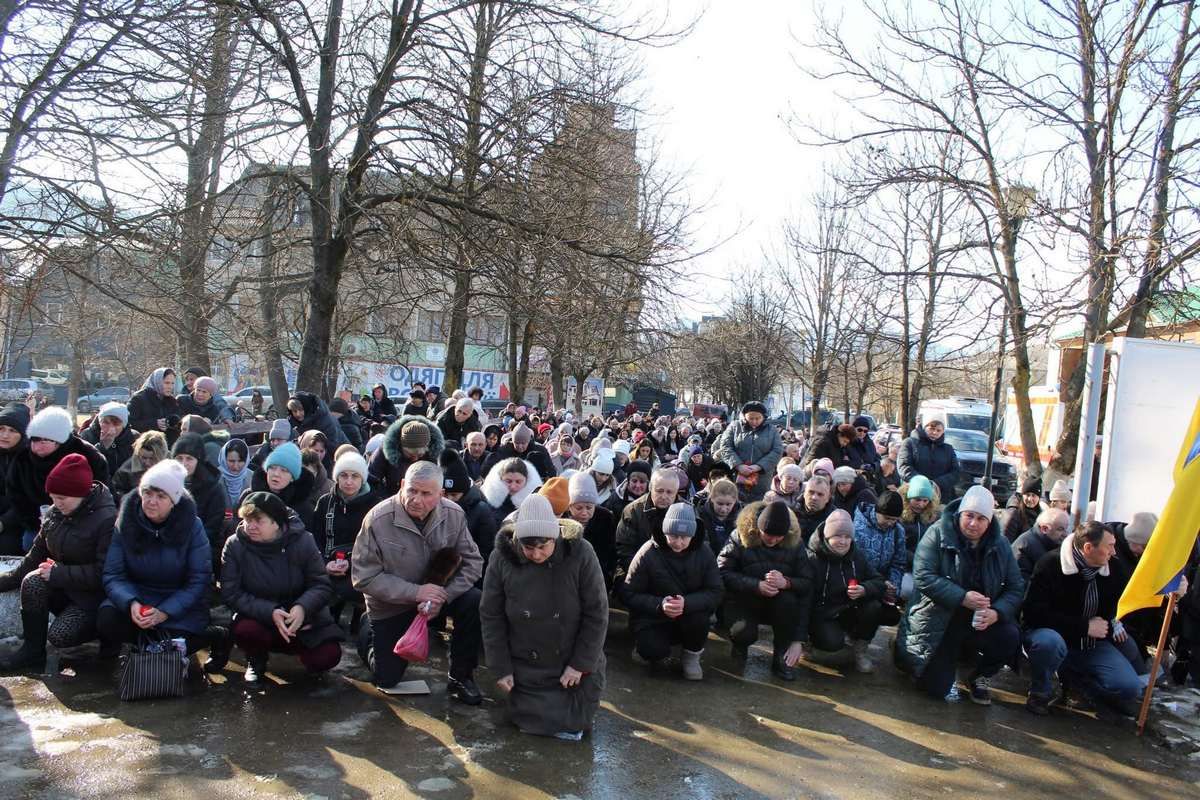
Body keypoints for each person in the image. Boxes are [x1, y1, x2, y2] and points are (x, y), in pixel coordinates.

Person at [353, 461, 485, 703]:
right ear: (402, 485)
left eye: (426, 494)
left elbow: (473, 563)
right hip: (392, 604)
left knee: (473, 600)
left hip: (438, 594)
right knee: (387, 678)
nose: (416, 499)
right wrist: (417, 592)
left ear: (440, 494)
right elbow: (364, 577)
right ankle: (367, 631)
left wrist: (443, 595)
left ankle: (461, 676)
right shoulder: (378, 519)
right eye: (412, 490)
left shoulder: (454, 515)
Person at [481, 493, 608, 738]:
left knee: (573, 723)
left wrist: (580, 665)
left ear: (556, 538)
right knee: (530, 724)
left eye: (543, 547)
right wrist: (501, 667)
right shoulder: (501, 558)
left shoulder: (581, 552)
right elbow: (491, 615)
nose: (537, 555)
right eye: (528, 548)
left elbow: (597, 613)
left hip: (570, 661)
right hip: (527, 663)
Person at [895, 485, 1024, 704]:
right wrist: (962, 597)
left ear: (990, 521)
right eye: (969, 516)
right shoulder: (937, 533)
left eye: (981, 519)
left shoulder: (1000, 544)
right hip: (941, 615)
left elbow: (1015, 586)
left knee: (1010, 636)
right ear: (960, 514)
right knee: (934, 689)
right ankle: (904, 654)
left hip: (980, 618)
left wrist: (997, 612)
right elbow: (923, 576)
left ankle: (978, 675)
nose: (973, 523)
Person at [0, 455, 117, 671]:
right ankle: (32, 652)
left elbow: (105, 573)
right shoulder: (56, 514)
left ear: (80, 493)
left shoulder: (106, 519)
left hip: (93, 599)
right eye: (53, 497)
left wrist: (58, 574)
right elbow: (32, 559)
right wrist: (3, 581)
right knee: (32, 581)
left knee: (60, 636)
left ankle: (107, 637)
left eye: (62, 498)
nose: (56, 503)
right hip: (65, 590)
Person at [214, 491, 344, 682]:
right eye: (247, 520)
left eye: (259, 521)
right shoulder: (235, 545)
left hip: (299, 619)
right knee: (245, 630)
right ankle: (255, 659)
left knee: (328, 655)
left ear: (276, 522)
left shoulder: (303, 541)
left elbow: (321, 584)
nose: (251, 526)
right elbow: (231, 593)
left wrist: (302, 608)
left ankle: (308, 666)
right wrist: (270, 611)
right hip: (260, 617)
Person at [1022, 521, 1142, 716]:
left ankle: (1079, 684)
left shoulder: (1114, 568)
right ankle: (1041, 691)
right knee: (1049, 644)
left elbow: (1128, 600)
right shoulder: (1050, 564)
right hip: (1054, 638)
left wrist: (1115, 622)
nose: (1114, 551)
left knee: (1129, 687)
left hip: (1092, 644)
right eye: (1109, 546)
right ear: (1088, 548)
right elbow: (1033, 614)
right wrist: (1083, 626)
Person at [98, 460, 215, 654]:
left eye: (161, 496)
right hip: (139, 596)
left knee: (175, 641)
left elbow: (199, 580)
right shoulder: (126, 522)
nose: (152, 501)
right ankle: (146, 648)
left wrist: (165, 612)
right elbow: (113, 574)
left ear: (173, 502)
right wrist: (131, 603)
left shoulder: (193, 526)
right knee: (107, 618)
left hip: (177, 602)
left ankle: (205, 638)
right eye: (147, 493)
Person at [621, 502, 723, 680]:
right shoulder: (647, 553)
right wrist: (660, 605)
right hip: (653, 617)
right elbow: (629, 593)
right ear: (665, 531)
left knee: (700, 619)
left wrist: (687, 603)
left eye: (685, 537)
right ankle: (645, 648)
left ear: (693, 535)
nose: (679, 542)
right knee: (653, 650)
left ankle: (691, 656)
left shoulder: (704, 552)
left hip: (689, 614)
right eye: (673, 536)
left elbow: (716, 591)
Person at [718, 500, 812, 680]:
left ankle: (780, 655)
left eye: (779, 537)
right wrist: (755, 585)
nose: (773, 540)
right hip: (744, 599)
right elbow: (721, 572)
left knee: (788, 601)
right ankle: (739, 647)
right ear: (757, 529)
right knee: (742, 633)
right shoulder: (739, 537)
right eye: (767, 535)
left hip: (779, 604)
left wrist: (786, 582)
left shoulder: (795, 544)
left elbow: (807, 582)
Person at [7, 407, 110, 551]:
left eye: (45, 441)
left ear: (59, 441)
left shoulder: (88, 455)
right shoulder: (23, 458)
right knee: (29, 543)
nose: (37, 446)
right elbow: (15, 492)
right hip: (37, 522)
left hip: (80, 521)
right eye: (35, 440)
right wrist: (32, 521)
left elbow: (100, 493)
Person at [808, 509, 887, 673]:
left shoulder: (856, 555)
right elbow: (803, 599)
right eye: (837, 536)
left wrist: (864, 589)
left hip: (848, 609)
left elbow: (878, 581)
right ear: (828, 536)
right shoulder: (812, 559)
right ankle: (811, 644)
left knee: (874, 607)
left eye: (847, 537)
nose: (843, 542)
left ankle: (860, 649)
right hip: (823, 614)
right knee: (832, 645)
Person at [310, 451, 379, 633]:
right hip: (328, 565)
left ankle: (360, 618)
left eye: (355, 476)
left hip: (362, 569)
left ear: (362, 478)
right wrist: (325, 565)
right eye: (344, 475)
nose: (349, 481)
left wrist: (351, 563)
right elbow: (315, 539)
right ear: (336, 477)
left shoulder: (375, 505)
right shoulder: (325, 503)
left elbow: (377, 546)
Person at [171, 433, 228, 566]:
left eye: (189, 459)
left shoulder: (213, 488)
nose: (183, 464)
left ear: (199, 460)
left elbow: (212, 527)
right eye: (179, 458)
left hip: (201, 545)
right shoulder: (166, 483)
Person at [441, 449, 497, 573]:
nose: (448, 500)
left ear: (465, 492)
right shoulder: (434, 506)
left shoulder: (482, 511)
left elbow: (486, 553)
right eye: (444, 495)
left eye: (454, 495)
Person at [714, 401, 783, 502]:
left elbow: (777, 451)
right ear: (744, 416)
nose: (754, 421)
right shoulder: (734, 427)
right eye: (751, 418)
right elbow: (725, 447)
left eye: (758, 418)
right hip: (736, 476)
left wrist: (758, 466)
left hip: (762, 479)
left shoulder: (772, 430)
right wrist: (738, 465)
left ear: (763, 417)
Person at [615, 468, 681, 573]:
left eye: (669, 492)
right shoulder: (633, 511)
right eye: (659, 491)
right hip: (640, 570)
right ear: (650, 488)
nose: (664, 496)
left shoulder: (687, 511)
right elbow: (625, 550)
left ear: (676, 492)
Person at [243, 442, 318, 531]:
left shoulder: (303, 507)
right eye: (272, 468)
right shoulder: (249, 496)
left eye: (284, 470)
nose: (276, 474)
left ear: (292, 478)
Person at [852, 490, 908, 608]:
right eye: (887, 518)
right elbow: (856, 563)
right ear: (877, 511)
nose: (890, 523)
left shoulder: (898, 531)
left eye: (894, 519)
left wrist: (893, 587)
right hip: (862, 582)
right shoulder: (858, 528)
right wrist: (880, 584)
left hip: (885, 583)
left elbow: (898, 563)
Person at [563, 472, 618, 591]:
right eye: (579, 508)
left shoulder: (605, 518)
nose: (584, 513)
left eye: (589, 508)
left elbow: (611, 553)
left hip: (597, 578)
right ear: (569, 506)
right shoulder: (562, 520)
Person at [367, 415, 445, 498]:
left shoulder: (436, 453)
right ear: (400, 446)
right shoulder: (385, 451)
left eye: (420, 455)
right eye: (410, 454)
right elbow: (372, 480)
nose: (415, 459)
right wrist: (386, 499)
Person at [897, 413, 960, 502]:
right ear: (924, 427)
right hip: (913, 495)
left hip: (940, 496)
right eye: (932, 429)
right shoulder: (909, 443)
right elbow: (904, 467)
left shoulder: (948, 449)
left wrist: (936, 483)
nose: (935, 433)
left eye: (939, 430)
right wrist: (924, 483)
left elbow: (956, 472)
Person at [0, 402, 31, 555]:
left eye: (12, 430)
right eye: (1, 429)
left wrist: (3, 522)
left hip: (19, 524)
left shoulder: (29, 458)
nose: (5, 435)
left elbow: (27, 500)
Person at [80, 401, 136, 483]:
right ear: (99, 422)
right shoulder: (87, 435)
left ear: (123, 426)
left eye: (116, 423)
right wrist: (102, 447)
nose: (110, 428)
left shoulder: (133, 438)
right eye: (106, 422)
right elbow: (83, 465)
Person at [482, 422, 556, 482]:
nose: (520, 446)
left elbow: (551, 472)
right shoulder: (504, 450)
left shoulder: (539, 451)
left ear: (528, 441)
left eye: (523, 443)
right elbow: (488, 469)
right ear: (512, 441)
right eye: (517, 443)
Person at [1011, 508, 1070, 582]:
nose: (1066, 534)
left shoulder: (1054, 542)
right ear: (1044, 529)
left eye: (1066, 529)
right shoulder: (1024, 547)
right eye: (1060, 529)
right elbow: (1021, 583)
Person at [287, 392, 349, 463]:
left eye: (301, 410)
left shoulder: (324, 420)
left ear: (308, 407)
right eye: (294, 411)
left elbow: (331, 448)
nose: (298, 414)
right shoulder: (295, 423)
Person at [112, 430, 168, 505]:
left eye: (152, 458)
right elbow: (117, 493)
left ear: (161, 456)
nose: (147, 462)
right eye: (144, 458)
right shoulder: (125, 471)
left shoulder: (172, 466)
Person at [127, 367, 181, 442]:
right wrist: (155, 423)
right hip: (144, 445)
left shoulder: (171, 401)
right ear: (157, 381)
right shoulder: (138, 399)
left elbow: (177, 422)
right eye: (166, 383)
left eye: (172, 383)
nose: (170, 387)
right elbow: (129, 424)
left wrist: (173, 422)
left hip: (166, 446)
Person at [694, 477, 741, 558]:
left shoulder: (741, 518)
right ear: (712, 498)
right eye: (720, 504)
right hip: (708, 560)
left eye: (728, 504)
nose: (723, 509)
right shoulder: (700, 515)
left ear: (735, 501)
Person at [1003, 477, 1045, 543]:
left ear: (1038, 497)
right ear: (1022, 495)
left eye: (1033, 495)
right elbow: (1006, 541)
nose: (1030, 499)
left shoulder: (1040, 514)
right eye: (1027, 495)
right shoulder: (1014, 513)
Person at [794, 474, 834, 541]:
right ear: (804, 493)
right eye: (811, 492)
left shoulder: (834, 518)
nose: (814, 497)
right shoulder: (791, 512)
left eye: (820, 494)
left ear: (828, 498)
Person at [217, 439, 251, 511]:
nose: (236, 466)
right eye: (231, 461)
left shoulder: (253, 478)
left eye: (240, 461)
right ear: (223, 459)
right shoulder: (214, 477)